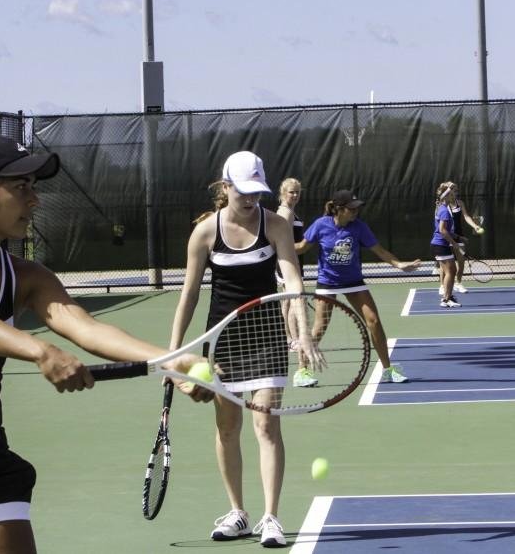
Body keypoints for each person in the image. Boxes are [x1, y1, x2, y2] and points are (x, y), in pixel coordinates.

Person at [0, 136, 206, 554]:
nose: (35, 200)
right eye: (21, 187)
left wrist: (174, 360)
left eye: (34, 186)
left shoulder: (27, 276)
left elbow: (85, 327)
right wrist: (40, 350)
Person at [169, 152, 321, 549]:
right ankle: (238, 512)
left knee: (266, 425)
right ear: (225, 187)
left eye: (258, 191)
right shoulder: (204, 233)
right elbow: (188, 296)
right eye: (244, 191)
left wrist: (302, 332)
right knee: (227, 428)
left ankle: (271, 517)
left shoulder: (275, 225)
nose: (252, 199)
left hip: (267, 336)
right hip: (223, 342)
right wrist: (174, 353)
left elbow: (291, 276)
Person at [295, 190, 419, 383]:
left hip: (354, 282)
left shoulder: (359, 227)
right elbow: (301, 247)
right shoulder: (321, 225)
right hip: (327, 283)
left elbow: (380, 250)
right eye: (351, 209)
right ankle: (302, 371)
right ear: (339, 209)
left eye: (356, 208)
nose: (355, 212)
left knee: (374, 322)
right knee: (319, 328)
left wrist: (399, 264)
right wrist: (275, 245)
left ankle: (387, 369)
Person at [274, 178, 315, 387]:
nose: (295, 196)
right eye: (291, 192)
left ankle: (288, 337)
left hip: (290, 262)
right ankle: (292, 339)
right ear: (282, 192)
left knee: (288, 301)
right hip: (288, 263)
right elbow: (286, 244)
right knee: (292, 301)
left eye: (298, 192)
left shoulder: (289, 211)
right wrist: (293, 268)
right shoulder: (286, 213)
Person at [435, 182, 483, 295]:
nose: (455, 193)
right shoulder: (442, 204)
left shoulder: (460, 203)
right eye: (453, 190)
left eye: (456, 191)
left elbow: (466, 216)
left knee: (461, 261)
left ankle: (458, 283)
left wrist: (475, 226)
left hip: (459, 236)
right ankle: (442, 285)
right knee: (445, 264)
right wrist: (448, 187)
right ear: (448, 192)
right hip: (446, 236)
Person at [432, 182, 466, 308]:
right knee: (450, 272)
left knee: (451, 270)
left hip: (440, 244)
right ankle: (446, 299)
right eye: (450, 194)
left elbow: (447, 230)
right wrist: (454, 244)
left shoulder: (442, 209)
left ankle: (448, 296)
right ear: (445, 197)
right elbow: (442, 230)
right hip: (441, 244)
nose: (453, 196)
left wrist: (459, 237)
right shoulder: (444, 210)